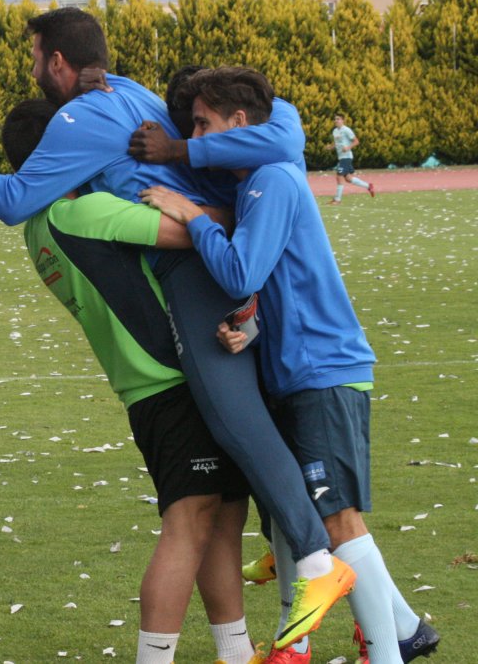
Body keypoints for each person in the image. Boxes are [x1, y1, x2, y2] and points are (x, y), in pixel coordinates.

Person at [0, 7, 353, 653]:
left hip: (172, 331)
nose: (32, 67)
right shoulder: (132, 97)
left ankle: (315, 561)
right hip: (179, 336)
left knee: (232, 444)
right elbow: (267, 137)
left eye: (35, 57)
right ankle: (299, 590)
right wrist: (222, 205)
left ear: (58, 62)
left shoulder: (74, 176)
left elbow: (14, 200)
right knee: (226, 488)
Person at [142, 66, 439, 664]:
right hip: (300, 371)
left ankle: (388, 648)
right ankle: (377, 634)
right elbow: (275, 285)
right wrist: (247, 326)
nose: (195, 139)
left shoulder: (272, 178)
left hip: (322, 371)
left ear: (239, 122)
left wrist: (192, 216)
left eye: (202, 125)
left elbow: (242, 272)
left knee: (337, 523)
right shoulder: (257, 181)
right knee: (310, 521)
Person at [2, 98, 257, 664]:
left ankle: (238, 654)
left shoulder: (40, 225)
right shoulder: (82, 212)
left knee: (222, 518)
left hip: (148, 386)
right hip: (169, 379)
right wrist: (244, 205)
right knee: (190, 523)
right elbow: (192, 231)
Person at [326, 113, 375, 204]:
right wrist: (331, 147)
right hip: (341, 157)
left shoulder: (346, 130)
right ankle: (368, 186)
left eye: (338, 119)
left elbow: (356, 141)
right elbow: (337, 143)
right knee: (348, 178)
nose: (336, 121)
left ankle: (337, 199)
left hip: (346, 157)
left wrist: (348, 148)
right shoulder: (335, 131)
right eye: (335, 119)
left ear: (343, 120)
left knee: (339, 176)